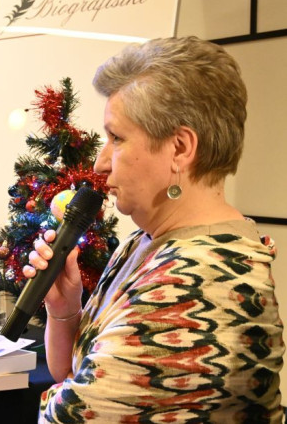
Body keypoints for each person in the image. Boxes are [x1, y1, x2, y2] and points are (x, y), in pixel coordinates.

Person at [23, 36, 284, 422]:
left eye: (117, 138)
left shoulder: (196, 283)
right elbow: (74, 374)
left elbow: (69, 415)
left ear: (180, 148)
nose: (99, 163)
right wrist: (65, 312)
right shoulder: (145, 243)